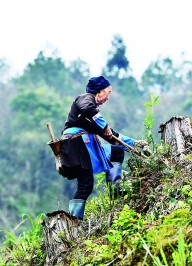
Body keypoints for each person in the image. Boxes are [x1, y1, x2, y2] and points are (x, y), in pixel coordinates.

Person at [59, 76, 148, 220]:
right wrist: (104, 125)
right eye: (109, 92)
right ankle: (74, 222)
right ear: (99, 91)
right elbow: (88, 109)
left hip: (85, 146)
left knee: (117, 152)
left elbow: (112, 136)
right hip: (75, 146)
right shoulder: (85, 99)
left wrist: (135, 144)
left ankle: (115, 188)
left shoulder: (93, 115)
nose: (108, 97)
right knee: (86, 185)